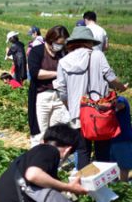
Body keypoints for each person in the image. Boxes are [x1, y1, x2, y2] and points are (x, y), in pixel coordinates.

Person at [54, 26, 128, 169]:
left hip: (78, 114)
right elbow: (110, 77)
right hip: (100, 112)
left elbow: (61, 91)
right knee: (102, 152)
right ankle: (102, 187)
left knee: (83, 152)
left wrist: (71, 107)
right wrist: (121, 87)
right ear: (89, 42)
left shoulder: (64, 61)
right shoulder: (97, 55)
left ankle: (84, 188)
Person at [27, 25, 70, 144]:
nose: (59, 46)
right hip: (42, 97)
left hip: (60, 97)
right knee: (40, 134)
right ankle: (37, 160)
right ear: (50, 39)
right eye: (58, 43)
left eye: (62, 43)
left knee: (57, 135)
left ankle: (55, 161)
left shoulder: (64, 53)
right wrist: (58, 73)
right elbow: (35, 73)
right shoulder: (37, 51)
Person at [110, 97, 132, 181]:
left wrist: (109, 105)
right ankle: (115, 188)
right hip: (109, 140)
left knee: (124, 167)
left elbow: (121, 105)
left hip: (122, 139)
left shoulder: (120, 99)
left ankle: (123, 189)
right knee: (111, 169)